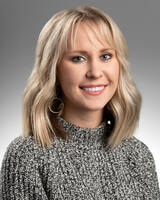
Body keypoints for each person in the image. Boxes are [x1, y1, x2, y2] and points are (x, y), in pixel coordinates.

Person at [0, 6, 159, 199]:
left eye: (106, 56)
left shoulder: (138, 155)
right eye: (78, 58)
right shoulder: (27, 156)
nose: (95, 72)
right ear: (53, 69)